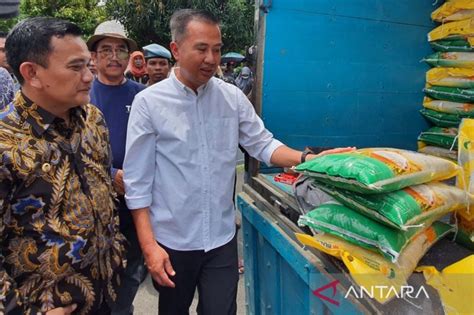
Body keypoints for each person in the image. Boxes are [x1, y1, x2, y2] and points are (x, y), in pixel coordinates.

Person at [123, 9, 352, 315]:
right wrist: (149, 246)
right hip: (173, 241)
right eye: (201, 48)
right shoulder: (149, 103)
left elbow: (264, 144)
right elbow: (137, 183)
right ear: (176, 49)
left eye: (216, 49)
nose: (211, 58)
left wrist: (310, 159)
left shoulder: (231, 97)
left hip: (220, 239)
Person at [0, 17, 125, 314]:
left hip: (106, 292)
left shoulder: (93, 120)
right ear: (31, 73)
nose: (88, 77)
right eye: (75, 67)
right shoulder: (6, 144)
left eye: (87, 65)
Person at [87, 25, 146, 315]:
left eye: (120, 49)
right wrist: (110, 174)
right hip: (93, 206)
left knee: (132, 268)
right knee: (93, 273)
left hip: (135, 201)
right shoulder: (81, 95)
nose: (114, 56)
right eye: (106, 50)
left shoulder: (143, 96)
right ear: (93, 57)